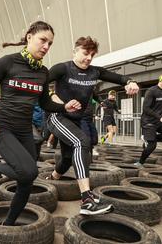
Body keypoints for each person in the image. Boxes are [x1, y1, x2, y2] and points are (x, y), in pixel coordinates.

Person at [0, 21, 81, 226]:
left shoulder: (43, 73)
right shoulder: (7, 62)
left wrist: (64, 107)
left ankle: (8, 224)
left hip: (25, 130)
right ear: (29, 37)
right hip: (2, 127)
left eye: (50, 43)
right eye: (43, 40)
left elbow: (45, 103)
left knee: (26, 180)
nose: (46, 47)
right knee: (29, 171)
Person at [47, 36, 139, 215]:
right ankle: (87, 201)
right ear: (75, 51)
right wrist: (55, 98)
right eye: (85, 53)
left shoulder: (95, 72)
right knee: (82, 142)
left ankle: (52, 178)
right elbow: (41, 86)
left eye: (92, 55)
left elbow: (119, 77)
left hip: (76, 120)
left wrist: (130, 82)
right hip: (57, 116)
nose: (88, 58)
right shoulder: (62, 68)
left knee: (68, 159)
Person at [134, 75, 162, 167]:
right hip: (148, 121)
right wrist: (159, 117)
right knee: (152, 146)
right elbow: (146, 108)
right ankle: (140, 162)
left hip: (158, 121)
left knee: (152, 139)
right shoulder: (152, 91)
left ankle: (149, 137)